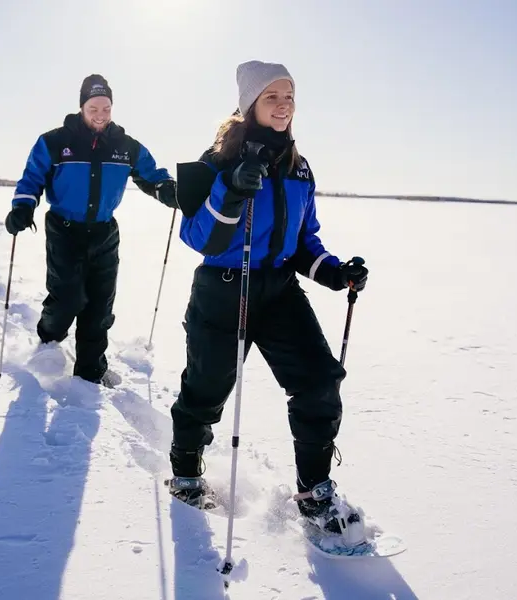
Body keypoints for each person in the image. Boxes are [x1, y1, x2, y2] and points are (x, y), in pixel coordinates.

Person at [166, 60, 369, 536]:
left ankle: (314, 491)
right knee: (205, 389)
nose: (283, 105)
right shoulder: (217, 161)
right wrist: (232, 193)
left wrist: (335, 272)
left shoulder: (298, 167)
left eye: (289, 96)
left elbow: (302, 241)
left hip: (278, 290)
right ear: (250, 104)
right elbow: (201, 238)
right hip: (222, 289)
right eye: (272, 96)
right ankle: (186, 475)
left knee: (320, 381)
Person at [4, 74, 178, 387]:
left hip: (104, 231)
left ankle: (90, 370)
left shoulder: (125, 146)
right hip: (64, 229)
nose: (100, 114)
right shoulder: (55, 141)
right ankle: (49, 340)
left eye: (106, 108)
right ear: (82, 107)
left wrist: (166, 189)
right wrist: (22, 207)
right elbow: (32, 179)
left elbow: (152, 175)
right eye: (94, 107)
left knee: (100, 305)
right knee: (67, 297)